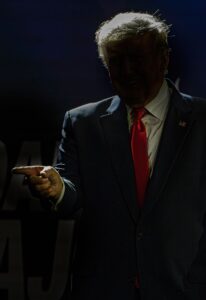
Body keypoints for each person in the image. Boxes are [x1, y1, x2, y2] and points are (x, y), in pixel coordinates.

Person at [12, 11, 206, 300]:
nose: (127, 71)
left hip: (184, 289)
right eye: (116, 61)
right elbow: (71, 195)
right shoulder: (82, 123)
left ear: (164, 59)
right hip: (104, 288)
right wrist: (58, 188)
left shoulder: (202, 121)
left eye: (136, 59)